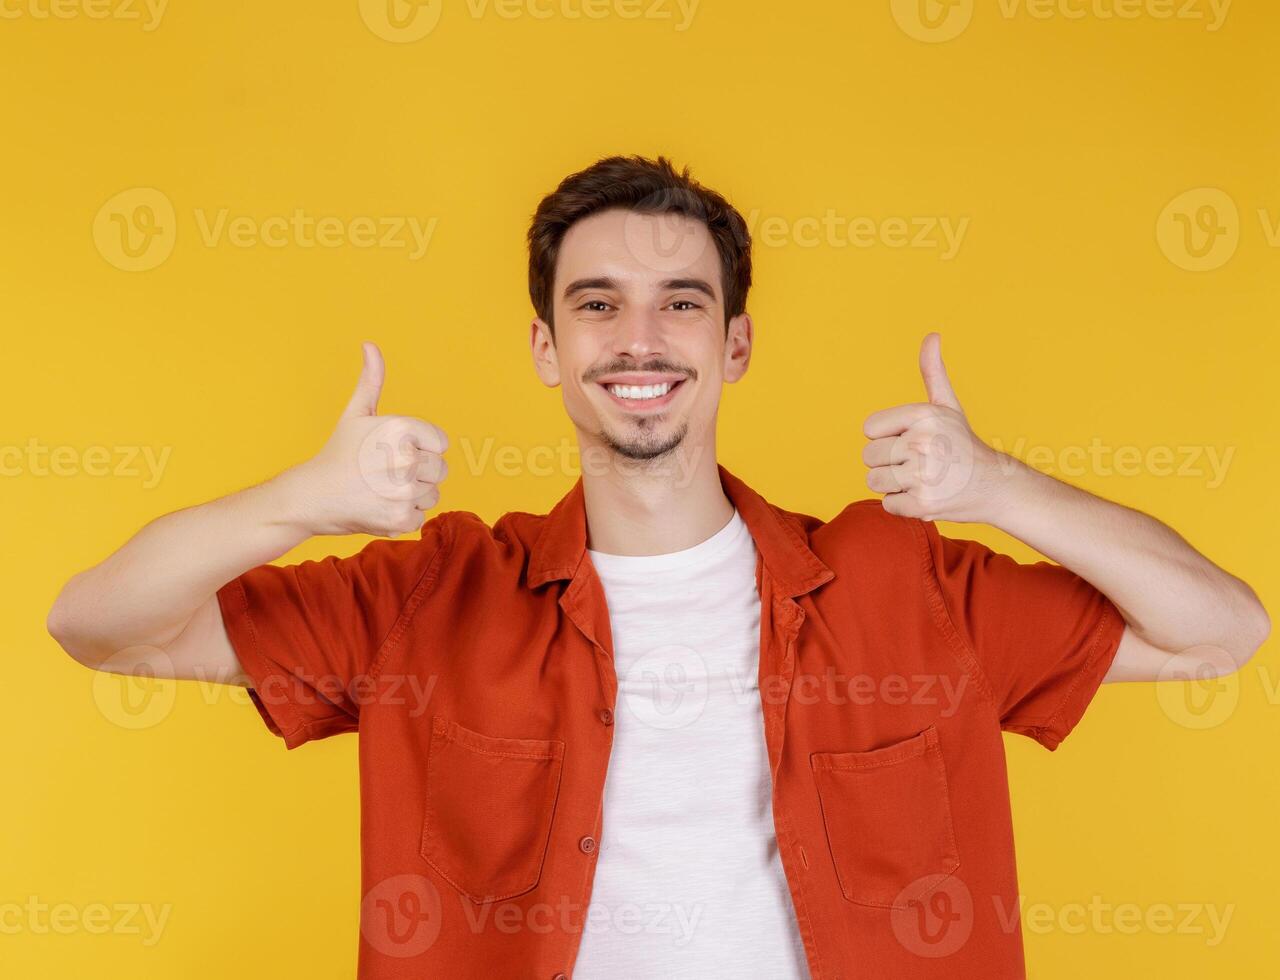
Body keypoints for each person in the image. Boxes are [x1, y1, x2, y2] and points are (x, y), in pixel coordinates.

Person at [47, 155, 1269, 979]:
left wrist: (999, 485)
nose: (639, 338)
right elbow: (102, 624)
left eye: (681, 304)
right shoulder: (432, 592)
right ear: (546, 345)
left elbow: (1220, 628)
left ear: (735, 343)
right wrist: (299, 502)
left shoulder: (904, 584)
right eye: (597, 304)